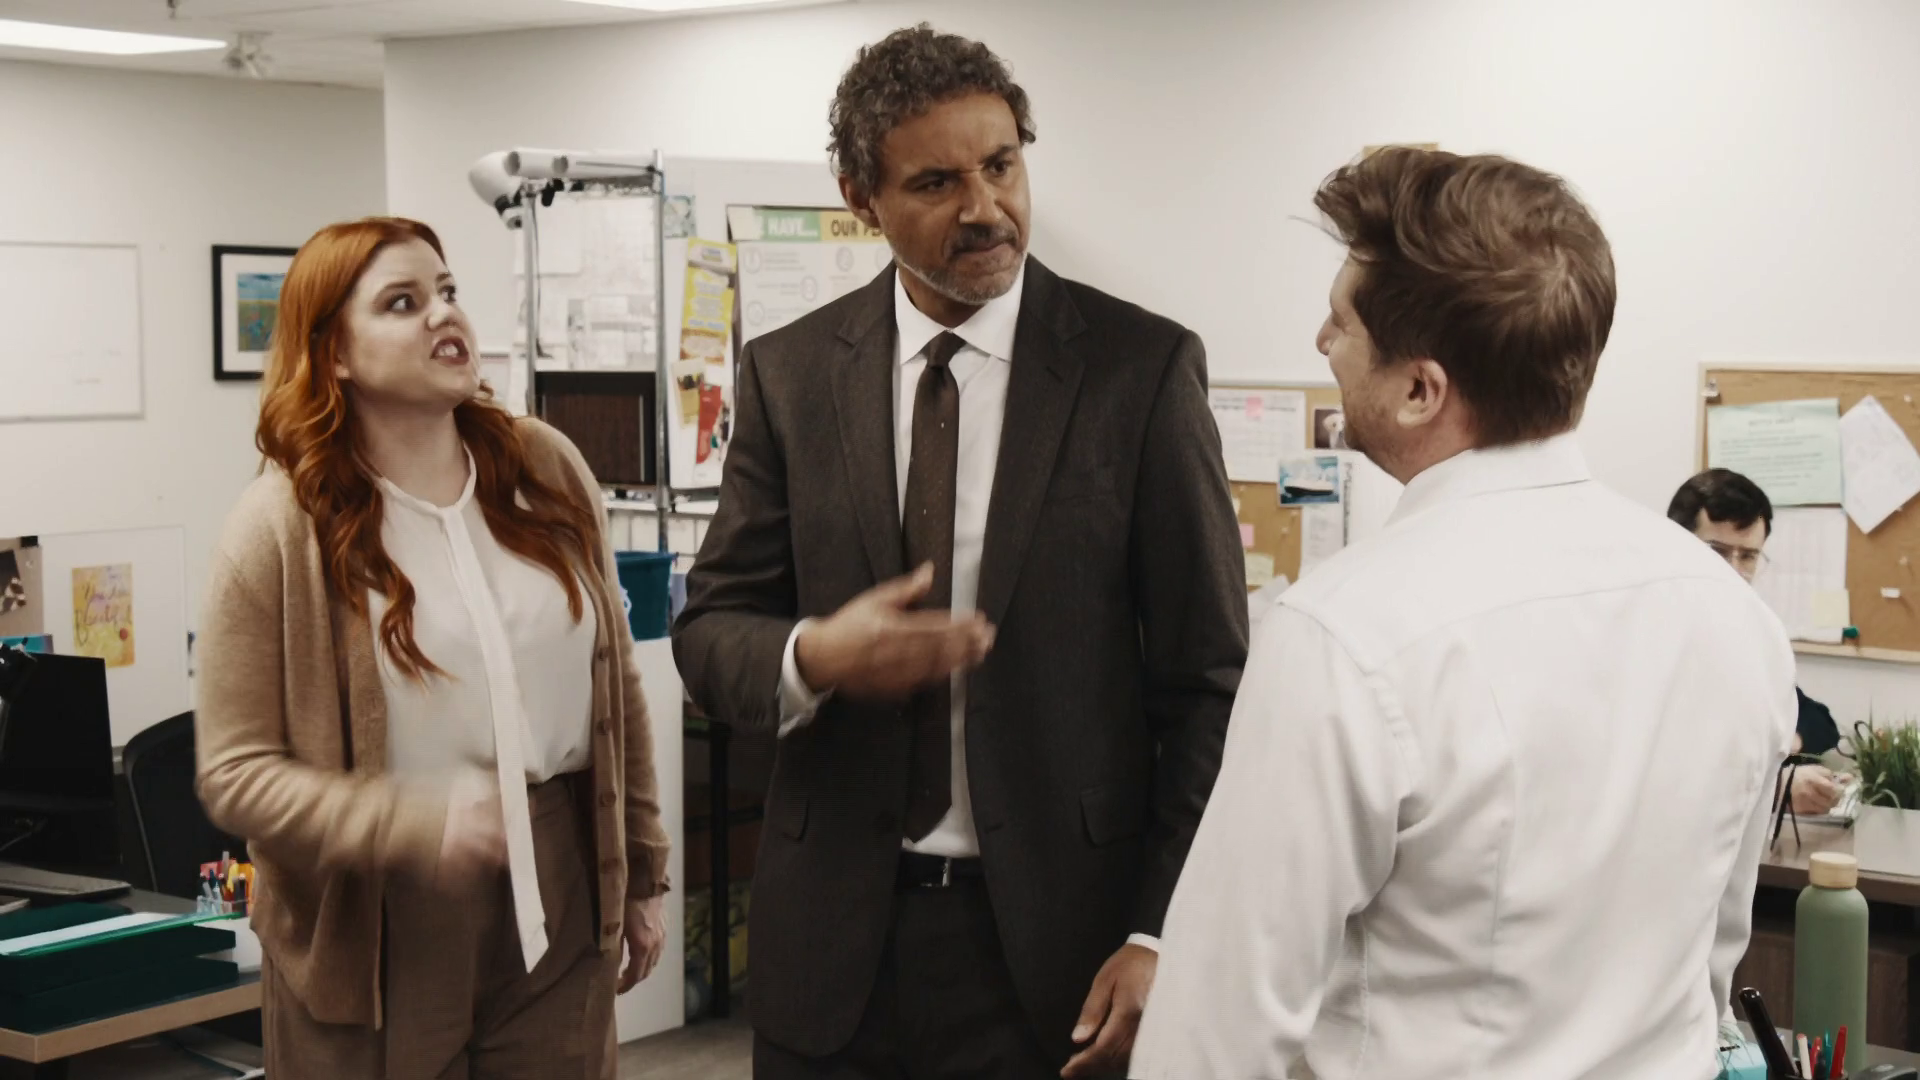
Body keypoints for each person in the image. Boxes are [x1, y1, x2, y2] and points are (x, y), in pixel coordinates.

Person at [1131, 149, 1798, 1078]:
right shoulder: (1734, 614)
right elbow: (1713, 958)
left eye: (1342, 320)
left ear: (1421, 390)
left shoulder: (1343, 633)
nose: (1321, 339)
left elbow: (1214, 1031)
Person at [673, 25, 1247, 1080]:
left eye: (1001, 165)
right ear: (860, 197)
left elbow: (1208, 683)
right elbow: (711, 629)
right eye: (937, 182)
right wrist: (815, 656)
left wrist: (1159, 929)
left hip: (1058, 954)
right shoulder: (790, 375)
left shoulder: (1140, 370)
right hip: (833, 948)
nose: (985, 208)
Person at [194, 217, 670, 1079]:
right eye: (402, 303)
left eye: (447, 291)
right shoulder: (278, 525)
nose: (443, 314)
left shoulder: (544, 467)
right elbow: (234, 772)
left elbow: (617, 684)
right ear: (335, 353)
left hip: (559, 862)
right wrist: (412, 823)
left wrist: (642, 872)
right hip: (378, 903)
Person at [1668, 467, 1852, 814]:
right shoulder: (1649, 634)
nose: (1734, 570)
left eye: (1748, 556)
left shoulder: (1747, 634)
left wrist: (1782, 744)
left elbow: (1818, 721)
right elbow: (1667, 765)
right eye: (1717, 551)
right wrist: (1774, 788)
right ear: (1674, 544)